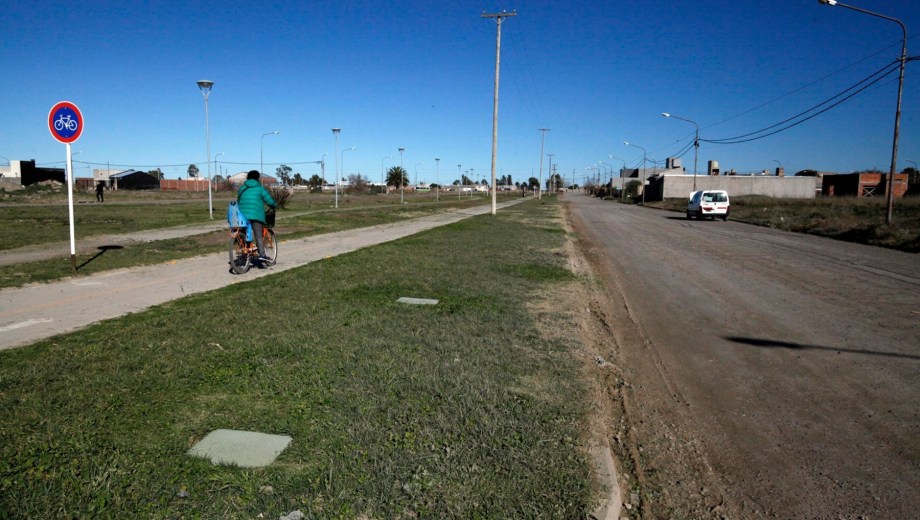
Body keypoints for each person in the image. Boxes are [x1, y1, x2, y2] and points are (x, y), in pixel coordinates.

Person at [237, 170, 276, 264]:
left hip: (242, 216)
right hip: (255, 215)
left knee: (244, 233)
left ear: (247, 178)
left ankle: (244, 252)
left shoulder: (242, 188)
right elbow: (269, 201)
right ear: (257, 178)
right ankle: (262, 255)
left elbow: (238, 201)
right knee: (258, 235)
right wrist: (274, 205)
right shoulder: (260, 189)